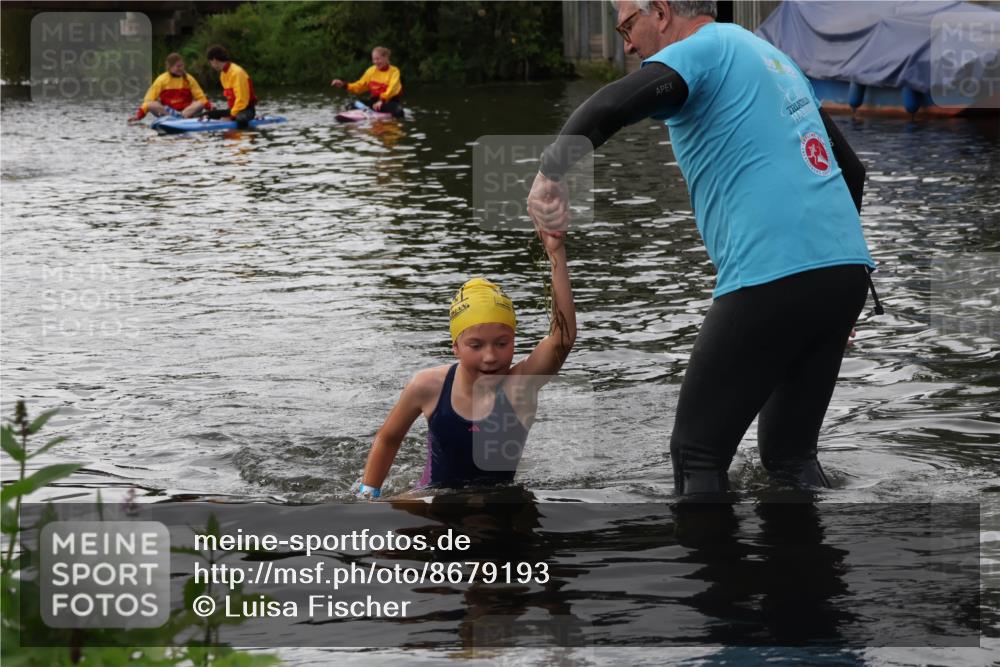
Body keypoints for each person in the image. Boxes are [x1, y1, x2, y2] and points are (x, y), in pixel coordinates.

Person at [526, 0, 881, 496]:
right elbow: (852, 172)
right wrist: (827, 288)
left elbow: (613, 105)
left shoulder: (702, 48)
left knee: (697, 454)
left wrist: (549, 174)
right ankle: (817, 548)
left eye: (627, 26)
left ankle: (710, 551)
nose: (627, 45)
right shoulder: (772, 58)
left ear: (661, 11)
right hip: (844, 272)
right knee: (789, 457)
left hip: (772, 271)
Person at [355, 232, 576, 499]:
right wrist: (369, 494)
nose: (490, 356)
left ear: (514, 341)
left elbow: (562, 340)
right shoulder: (427, 386)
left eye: (502, 343)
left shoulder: (520, 385)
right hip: (433, 499)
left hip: (498, 500)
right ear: (456, 347)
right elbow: (388, 438)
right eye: (476, 345)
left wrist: (556, 251)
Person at [129, 53, 210, 121]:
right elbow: (148, 100)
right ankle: (174, 118)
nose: (181, 68)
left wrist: (211, 108)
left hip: (186, 112)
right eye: (178, 66)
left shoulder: (189, 79)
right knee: (150, 104)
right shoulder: (161, 80)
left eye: (182, 66)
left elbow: (201, 97)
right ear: (170, 67)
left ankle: (181, 117)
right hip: (168, 113)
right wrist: (138, 116)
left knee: (200, 103)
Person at [331, 46, 404, 118]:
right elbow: (359, 86)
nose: (375, 62)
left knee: (398, 110)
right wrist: (344, 85)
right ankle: (366, 112)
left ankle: (387, 117)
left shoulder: (394, 71)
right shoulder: (371, 71)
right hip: (374, 103)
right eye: (374, 59)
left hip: (388, 102)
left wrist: (382, 100)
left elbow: (392, 88)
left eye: (378, 59)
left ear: (386, 58)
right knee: (353, 104)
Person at [205, 45, 257, 129]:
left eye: (210, 62)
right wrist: (224, 114)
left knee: (240, 119)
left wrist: (231, 116)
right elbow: (230, 99)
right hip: (234, 109)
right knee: (210, 114)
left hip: (246, 109)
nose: (211, 65)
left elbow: (242, 101)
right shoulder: (223, 75)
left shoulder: (237, 72)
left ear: (214, 60)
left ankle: (245, 132)